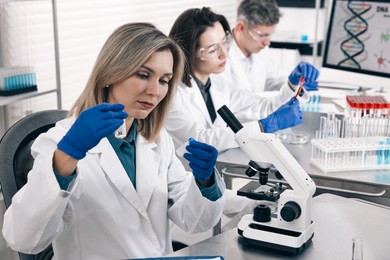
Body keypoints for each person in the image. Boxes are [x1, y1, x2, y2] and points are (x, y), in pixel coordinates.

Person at [2, 23, 225, 259]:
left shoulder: (157, 140)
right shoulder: (59, 141)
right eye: (143, 75)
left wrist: (205, 182)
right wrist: (67, 155)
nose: (155, 91)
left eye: (164, 80)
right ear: (111, 73)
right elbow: (23, 238)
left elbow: (193, 221)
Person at [166, 7, 319, 153]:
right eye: (213, 49)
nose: (224, 54)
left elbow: (262, 106)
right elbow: (200, 140)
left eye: (225, 42)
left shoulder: (218, 85)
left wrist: (292, 84)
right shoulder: (172, 94)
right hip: (184, 175)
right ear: (186, 51)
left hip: (214, 170)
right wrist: (262, 127)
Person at [212, 0, 318, 95]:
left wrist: (297, 82)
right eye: (262, 35)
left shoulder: (261, 51)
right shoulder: (220, 58)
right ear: (241, 27)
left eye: (269, 35)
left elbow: (276, 82)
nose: (267, 42)